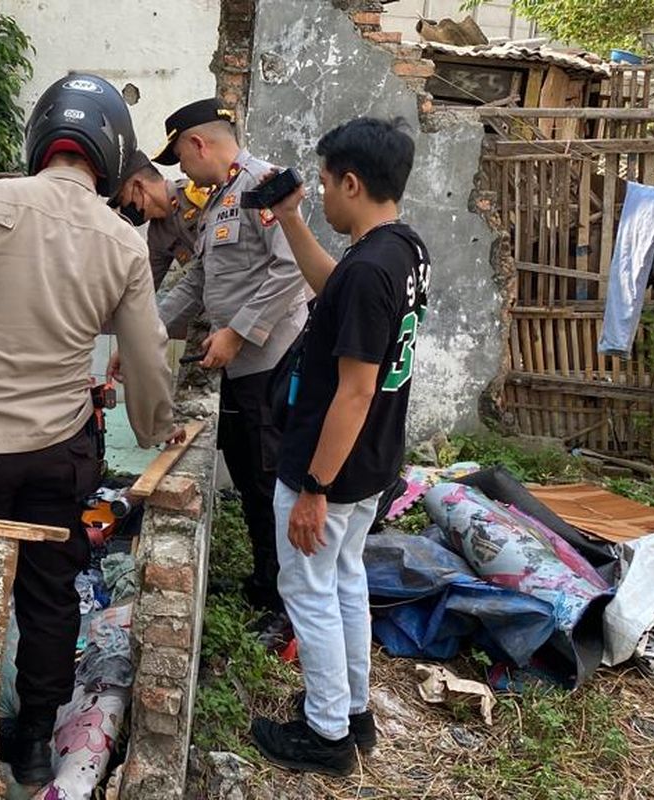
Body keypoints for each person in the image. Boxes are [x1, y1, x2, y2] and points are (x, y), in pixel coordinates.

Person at [0, 73, 182, 787]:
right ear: (112, 157)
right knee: (50, 596)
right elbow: (147, 350)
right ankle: (32, 742)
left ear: (41, 139)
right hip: (61, 453)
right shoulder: (121, 241)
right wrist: (155, 428)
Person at [249, 117, 430, 776]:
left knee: (308, 589)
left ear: (351, 182)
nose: (322, 195)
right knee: (344, 579)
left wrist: (313, 489)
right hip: (373, 460)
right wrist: (293, 219)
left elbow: (352, 392)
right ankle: (354, 712)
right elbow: (336, 292)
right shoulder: (401, 251)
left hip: (334, 464)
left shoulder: (370, 270)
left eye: (325, 184)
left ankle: (326, 734)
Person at [114, 98, 309, 614]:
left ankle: (285, 603)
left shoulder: (266, 184)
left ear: (199, 143)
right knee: (248, 475)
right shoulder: (223, 196)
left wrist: (238, 334)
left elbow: (290, 270)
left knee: (269, 482)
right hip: (244, 366)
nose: (180, 170)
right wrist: (142, 332)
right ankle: (265, 582)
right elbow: (199, 280)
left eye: (180, 156)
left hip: (273, 360)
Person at [110, 149, 209, 289]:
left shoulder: (196, 194)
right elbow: (147, 286)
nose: (123, 208)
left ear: (138, 186)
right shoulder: (157, 236)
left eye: (122, 199)